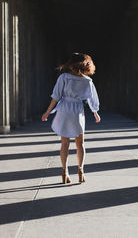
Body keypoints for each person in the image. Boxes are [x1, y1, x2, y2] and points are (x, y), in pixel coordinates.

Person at [41, 53, 101, 184]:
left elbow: (55, 96)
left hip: (64, 110)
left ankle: (65, 171)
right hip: (77, 111)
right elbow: (92, 98)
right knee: (80, 144)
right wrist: (95, 112)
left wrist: (47, 112)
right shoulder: (87, 81)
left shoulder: (64, 77)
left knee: (65, 143)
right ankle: (80, 170)